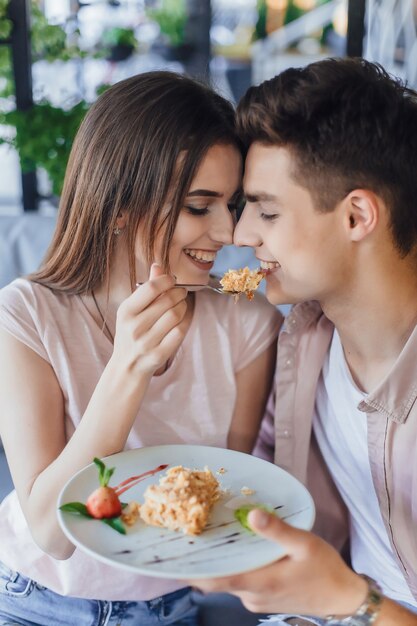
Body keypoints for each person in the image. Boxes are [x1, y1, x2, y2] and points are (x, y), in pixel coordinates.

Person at [0, 71, 281, 626]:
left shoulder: (248, 323)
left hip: (170, 603)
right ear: (121, 206)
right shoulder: (26, 315)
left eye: (233, 204)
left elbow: (227, 490)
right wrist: (129, 366)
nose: (227, 233)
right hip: (33, 599)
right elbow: (51, 534)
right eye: (200, 206)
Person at [190, 58, 417, 625]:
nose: (241, 237)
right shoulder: (303, 336)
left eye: (266, 211)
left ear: (357, 215)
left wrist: (349, 603)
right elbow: (256, 482)